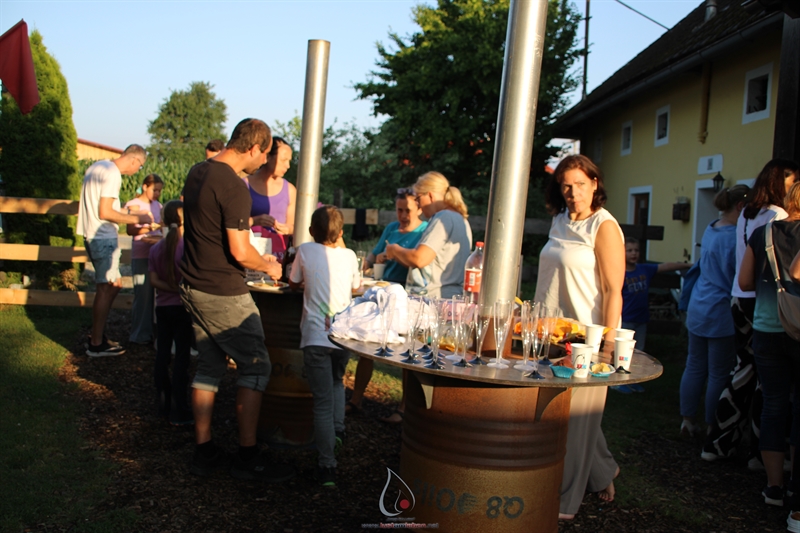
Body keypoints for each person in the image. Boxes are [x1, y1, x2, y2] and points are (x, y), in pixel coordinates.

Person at [179, 118, 294, 483]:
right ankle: (247, 456)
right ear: (254, 147)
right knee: (257, 367)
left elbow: (211, 221)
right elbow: (241, 252)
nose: (264, 163)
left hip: (192, 282)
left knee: (209, 367)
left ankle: (204, 450)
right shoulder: (234, 184)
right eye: (265, 154)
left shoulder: (199, 172)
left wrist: (251, 218)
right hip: (221, 290)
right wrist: (270, 265)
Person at [533, 154, 625, 520]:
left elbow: (612, 288)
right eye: (566, 186)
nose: (573, 193)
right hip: (550, 331)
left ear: (595, 183)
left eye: (580, 184)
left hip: (587, 334)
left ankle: (565, 501)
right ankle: (605, 472)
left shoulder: (603, 226)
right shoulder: (559, 221)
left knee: (578, 417)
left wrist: (609, 340)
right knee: (562, 411)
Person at [703, 159, 798, 465]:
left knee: (742, 371)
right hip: (765, 300)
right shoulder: (779, 215)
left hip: (738, 297)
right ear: (781, 184)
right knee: (767, 383)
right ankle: (760, 452)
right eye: (792, 182)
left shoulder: (746, 211)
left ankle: (718, 442)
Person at [288, 205, 360, 488]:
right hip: (342, 336)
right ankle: (338, 432)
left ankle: (327, 465)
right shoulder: (350, 255)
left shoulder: (305, 251)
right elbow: (356, 286)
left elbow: (294, 283)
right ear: (341, 233)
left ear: (310, 232)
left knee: (321, 402)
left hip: (315, 336)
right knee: (337, 381)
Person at [737, 181, 800, 507]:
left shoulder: (764, 233)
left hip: (767, 327)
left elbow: (745, 281)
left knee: (774, 404)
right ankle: (795, 487)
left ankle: (773, 486)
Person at [348, 188, 428, 421]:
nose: (403, 215)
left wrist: (397, 255)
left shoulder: (424, 232)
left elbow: (419, 260)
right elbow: (372, 257)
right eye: (399, 210)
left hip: (406, 295)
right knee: (367, 344)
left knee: (407, 351)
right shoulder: (391, 229)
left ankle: (403, 408)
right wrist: (371, 261)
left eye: (408, 211)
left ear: (419, 208)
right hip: (381, 292)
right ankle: (356, 399)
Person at [679, 185, 749, 437]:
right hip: (720, 311)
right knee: (719, 373)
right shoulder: (734, 238)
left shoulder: (711, 228)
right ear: (741, 207)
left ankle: (687, 420)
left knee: (695, 365)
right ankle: (712, 424)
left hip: (699, 305)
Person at [77, 144, 153, 357]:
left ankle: (97, 336)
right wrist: (138, 218)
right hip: (103, 238)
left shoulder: (97, 167)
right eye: (139, 166)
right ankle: (96, 343)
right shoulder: (112, 174)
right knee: (107, 286)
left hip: (91, 234)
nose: (137, 170)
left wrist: (125, 211)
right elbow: (105, 212)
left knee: (114, 285)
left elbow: (99, 207)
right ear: (134, 160)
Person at [385, 171, 472, 299]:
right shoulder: (461, 219)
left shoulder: (443, 217)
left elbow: (420, 259)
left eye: (418, 199)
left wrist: (395, 250)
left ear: (430, 195)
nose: (418, 204)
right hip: (452, 297)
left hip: (434, 299)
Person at [149, 200, 193, 426]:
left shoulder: (157, 247)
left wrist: (169, 289)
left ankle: (162, 402)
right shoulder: (188, 247)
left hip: (162, 308)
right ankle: (180, 408)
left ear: (164, 220)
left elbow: (153, 280)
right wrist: (179, 290)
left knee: (162, 354)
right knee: (182, 358)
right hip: (183, 308)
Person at [621, 236, 690, 352]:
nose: (634, 254)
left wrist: (687, 265)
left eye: (636, 250)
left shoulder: (644, 269)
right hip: (625, 320)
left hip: (641, 319)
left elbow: (666, 266)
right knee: (623, 350)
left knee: (639, 351)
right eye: (629, 250)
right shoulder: (619, 273)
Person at [124, 174, 164, 345]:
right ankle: (140, 334)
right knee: (143, 294)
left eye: (160, 191)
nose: (157, 194)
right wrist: (148, 228)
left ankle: (155, 331)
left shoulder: (158, 205)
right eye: (155, 190)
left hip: (156, 252)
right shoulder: (133, 205)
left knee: (159, 295)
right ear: (145, 187)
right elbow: (131, 231)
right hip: (142, 252)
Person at [245, 136, 296, 258]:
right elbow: (232, 223)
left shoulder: (290, 190)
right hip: (251, 256)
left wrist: (287, 229)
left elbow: (294, 227)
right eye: (283, 160)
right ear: (268, 157)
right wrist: (254, 221)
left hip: (279, 258)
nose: (288, 166)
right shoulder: (244, 185)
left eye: (289, 161)